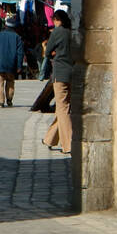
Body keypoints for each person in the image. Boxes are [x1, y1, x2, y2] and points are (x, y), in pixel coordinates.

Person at [42, 9, 74, 155]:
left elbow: (48, 52)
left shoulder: (58, 32)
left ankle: (68, 145)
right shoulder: (71, 32)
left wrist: (47, 48)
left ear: (56, 19)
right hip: (72, 74)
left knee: (63, 109)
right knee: (63, 107)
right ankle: (50, 139)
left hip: (60, 74)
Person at [0, 13, 24, 108]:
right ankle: (9, 99)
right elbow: (20, 53)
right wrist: (19, 66)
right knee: (10, 82)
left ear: (5, 25)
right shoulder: (17, 37)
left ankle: (0, 102)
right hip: (11, 65)